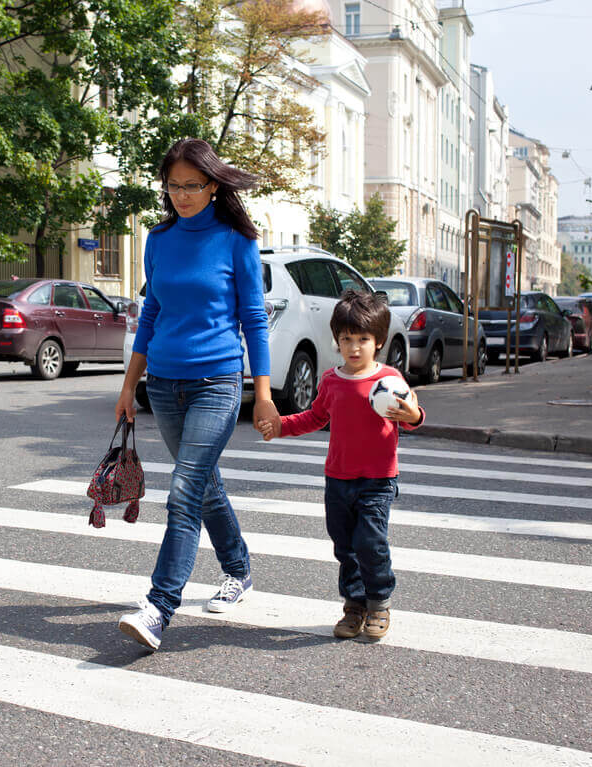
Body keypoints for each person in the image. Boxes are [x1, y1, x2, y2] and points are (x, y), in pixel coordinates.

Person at [114, 138, 278, 651]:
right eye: (173, 185)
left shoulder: (236, 241)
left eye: (192, 185)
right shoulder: (159, 240)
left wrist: (265, 393)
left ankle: (159, 608)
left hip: (218, 383)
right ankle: (240, 570)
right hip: (163, 384)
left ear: (213, 186)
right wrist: (128, 385)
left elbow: (254, 319)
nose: (181, 195)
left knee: (184, 493)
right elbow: (153, 314)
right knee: (204, 485)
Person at [260, 289, 425, 641]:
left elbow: (410, 417)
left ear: (378, 341)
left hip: (378, 479)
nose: (354, 347)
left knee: (370, 541)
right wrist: (280, 426)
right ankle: (354, 604)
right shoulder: (332, 381)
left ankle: (378, 601)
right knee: (344, 544)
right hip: (338, 478)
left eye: (363, 339)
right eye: (346, 339)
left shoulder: (389, 381)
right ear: (337, 340)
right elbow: (316, 417)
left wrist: (414, 414)